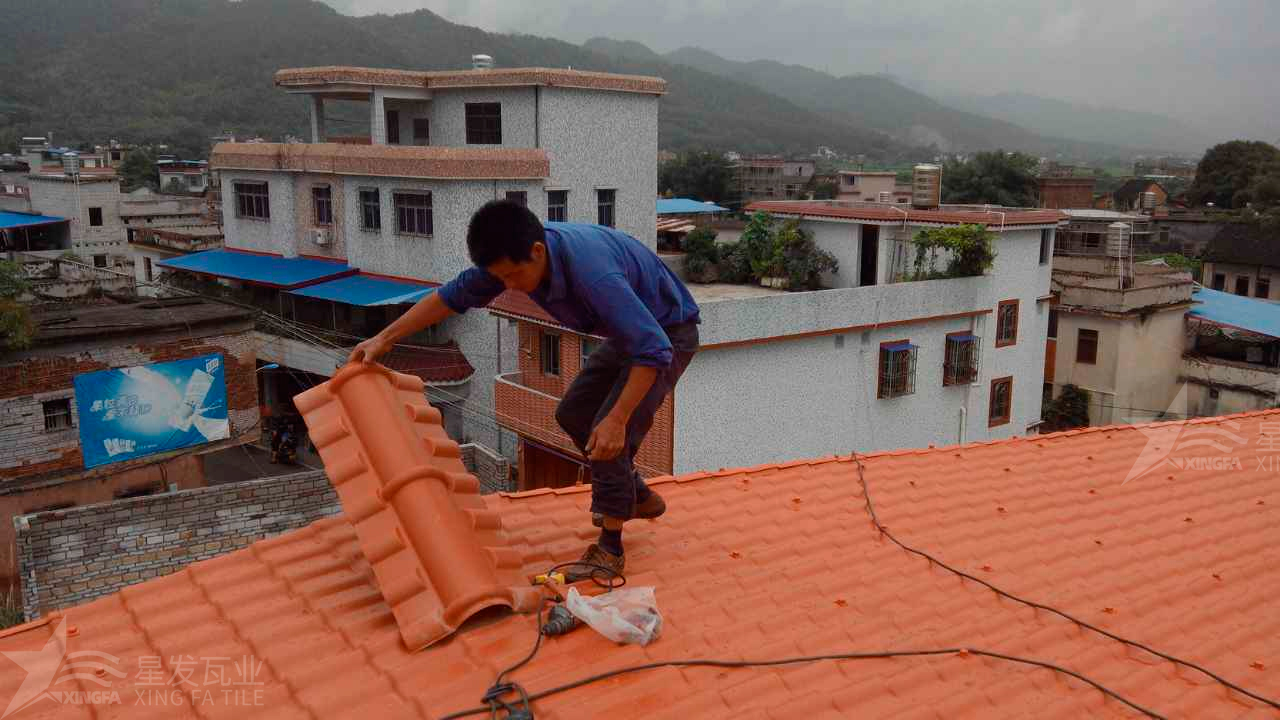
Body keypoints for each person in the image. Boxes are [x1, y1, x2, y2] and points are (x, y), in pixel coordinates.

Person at [349, 200, 700, 579]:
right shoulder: (510, 259)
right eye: (501, 279)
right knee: (573, 414)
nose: (509, 287)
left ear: (537, 251)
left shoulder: (593, 274)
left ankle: (610, 549)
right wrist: (384, 338)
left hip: (667, 335)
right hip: (628, 332)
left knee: (609, 430)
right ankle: (637, 496)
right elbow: (447, 299)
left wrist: (618, 418)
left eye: (514, 276)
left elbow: (652, 350)